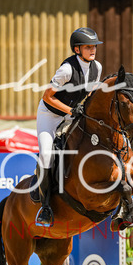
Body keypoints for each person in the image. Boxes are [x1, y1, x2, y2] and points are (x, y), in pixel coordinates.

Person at [34, 27, 103, 226]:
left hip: (73, 114)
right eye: (88, 47)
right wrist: (71, 111)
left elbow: (90, 94)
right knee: (46, 155)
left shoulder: (97, 67)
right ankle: (45, 206)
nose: (93, 50)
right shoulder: (67, 70)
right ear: (77, 49)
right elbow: (47, 97)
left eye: (94, 46)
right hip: (50, 115)